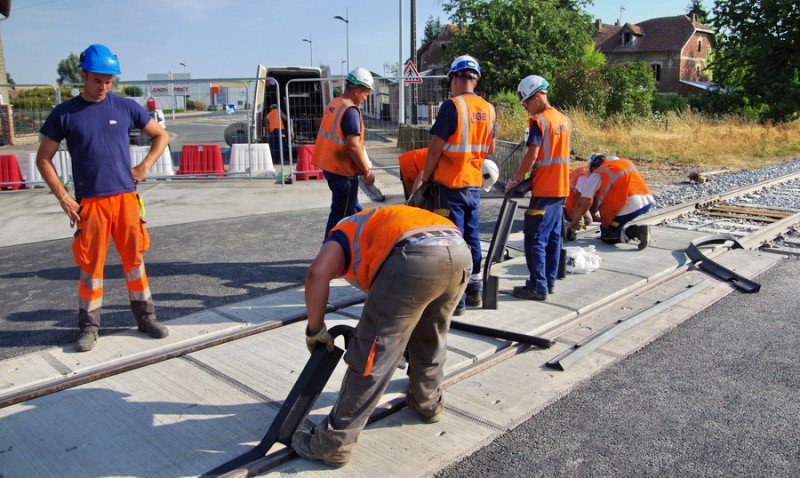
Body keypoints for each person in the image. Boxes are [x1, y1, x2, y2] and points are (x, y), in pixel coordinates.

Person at [292, 205, 472, 467]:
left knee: (373, 351)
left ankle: (334, 444)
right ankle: (428, 403)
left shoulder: (342, 232)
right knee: (431, 335)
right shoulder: (382, 223)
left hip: (412, 257)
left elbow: (316, 273)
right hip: (458, 251)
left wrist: (315, 329)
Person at [35, 44, 171, 352]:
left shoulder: (124, 107)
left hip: (126, 200)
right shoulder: (64, 114)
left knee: (134, 262)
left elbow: (161, 135)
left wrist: (144, 167)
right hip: (91, 204)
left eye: (109, 81)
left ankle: (146, 319)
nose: (103, 87)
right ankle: (89, 327)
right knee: (91, 266)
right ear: (82, 75)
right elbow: (43, 159)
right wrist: (63, 197)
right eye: (98, 80)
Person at [416, 55, 496, 314]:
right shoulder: (489, 109)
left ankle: (455, 300)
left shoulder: (452, 106)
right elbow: (490, 148)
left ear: (453, 78)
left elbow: (435, 149)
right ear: (476, 80)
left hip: (449, 185)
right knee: (472, 237)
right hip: (473, 184)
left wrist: (425, 178)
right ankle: (474, 289)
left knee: (451, 241)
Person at [505, 75, 571, 301]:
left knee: (535, 238)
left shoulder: (539, 122)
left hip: (545, 189)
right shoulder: (564, 120)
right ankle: (548, 282)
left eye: (525, 102)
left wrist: (515, 179)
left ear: (536, 96)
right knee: (552, 238)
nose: (525, 107)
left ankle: (537, 287)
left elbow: (532, 155)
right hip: (560, 189)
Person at [312, 67, 376, 238]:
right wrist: (366, 172)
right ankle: (329, 248)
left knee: (353, 208)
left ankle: (363, 241)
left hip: (330, 166)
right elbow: (353, 146)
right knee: (341, 215)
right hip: (343, 171)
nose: (366, 97)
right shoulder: (351, 111)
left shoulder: (335, 104)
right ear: (357, 91)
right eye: (366, 93)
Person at [570, 153, 654, 249]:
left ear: (593, 167)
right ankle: (628, 228)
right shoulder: (624, 163)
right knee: (611, 224)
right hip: (647, 201)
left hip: (629, 207)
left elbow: (582, 204)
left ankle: (635, 231)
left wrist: (573, 227)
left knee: (607, 234)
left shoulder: (597, 174)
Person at [563, 163, 596, 239]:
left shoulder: (593, 173)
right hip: (570, 201)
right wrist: (577, 221)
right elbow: (578, 201)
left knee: (588, 220)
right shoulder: (584, 178)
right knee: (582, 223)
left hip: (580, 201)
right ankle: (561, 212)